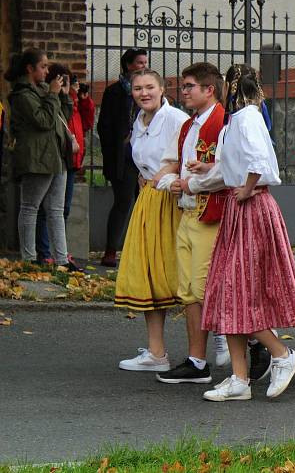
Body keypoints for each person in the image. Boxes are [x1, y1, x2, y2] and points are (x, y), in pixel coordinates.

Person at [201, 64, 295, 402]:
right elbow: (233, 165)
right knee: (226, 291)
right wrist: (207, 174)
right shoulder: (236, 121)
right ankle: (239, 378)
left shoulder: (247, 117)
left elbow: (260, 162)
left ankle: (282, 354)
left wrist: (248, 188)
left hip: (252, 209)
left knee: (240, 291)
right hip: (240, 209)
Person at [153, 62, 233, 384]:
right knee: (188, 291)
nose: (183, 92)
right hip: (187, 213)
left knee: (204, 289)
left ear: (209, 89)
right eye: (183, 87)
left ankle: (256, 347)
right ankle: (197, 360)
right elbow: (177, 166)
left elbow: (226, 173)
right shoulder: (189, 126)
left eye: (189, 86)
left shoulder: (222, 123)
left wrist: (190, 184)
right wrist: (170, 181)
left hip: (209, 215)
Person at [115, 69, 188, 372]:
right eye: (137, 89)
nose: (143, 93)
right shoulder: (139, 120)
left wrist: (161, 176)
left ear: (162, 88)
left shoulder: (177, 119)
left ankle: (224, 337)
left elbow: (187, 157)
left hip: (172, 201)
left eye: (149, 88)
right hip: (148, 201)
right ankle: (157, 353)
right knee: (149, 274)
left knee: (183, 275)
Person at [5, 49, 77, 271]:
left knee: (55, 210)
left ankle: (62, 260)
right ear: (30, 69)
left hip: (56, 156)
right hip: (37, 158)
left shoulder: (44, 90)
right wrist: (54, 95)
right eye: (43, 66)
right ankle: (29, 258)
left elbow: (62, 117)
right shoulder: (22, 95)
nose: (48, 71)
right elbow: (43, 121)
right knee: (30, 207)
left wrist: (62, 95)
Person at [97, 47, 148, 267]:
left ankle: (142, 251)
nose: (143, 66)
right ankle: (110, 250)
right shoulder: (115, 92)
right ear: (128, 65)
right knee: (123, 202)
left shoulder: (149, 91)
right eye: (139, 63)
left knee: (145, 204)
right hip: (124, 158)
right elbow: (104, 127)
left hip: (146, 157)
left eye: (145, 62)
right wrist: (120, 143)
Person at [35, 64, 89, 268]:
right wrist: (56, 95)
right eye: (62, 79)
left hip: (70, 160)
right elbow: (49, 120)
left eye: (67, 80)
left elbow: (84, 120)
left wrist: (69, 96)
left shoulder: (69, 98)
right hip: (54, 158)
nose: (65, 83)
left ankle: (60, 252)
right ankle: (45, 251)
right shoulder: (46, 96)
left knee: (62, 209)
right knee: (42, 209)